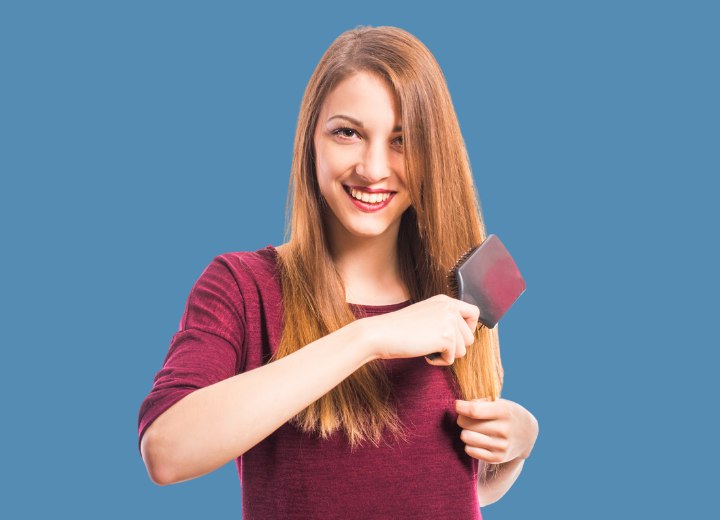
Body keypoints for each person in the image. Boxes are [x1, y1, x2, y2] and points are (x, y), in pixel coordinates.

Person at [138, 25, 539, 519]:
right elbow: (166, 451)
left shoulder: (459, 290)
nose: (373, 168)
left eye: (402, 140)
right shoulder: (244, 288)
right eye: (347, 133)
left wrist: (515, 447)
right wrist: (369, 337)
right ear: (311, 139)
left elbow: (444, 487)